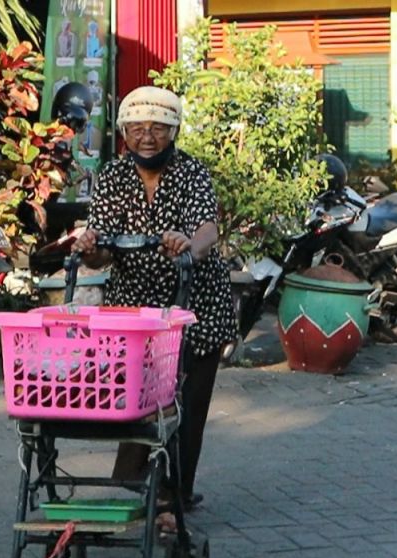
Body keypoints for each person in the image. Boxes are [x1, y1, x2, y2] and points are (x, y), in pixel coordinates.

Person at [72, 86, 237, 513]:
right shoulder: (112, 175)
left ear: (174, 131)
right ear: (124, 132)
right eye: (138, 128)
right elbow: (102, 247)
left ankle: (173, 495)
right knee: (133, 399)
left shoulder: (191, 172)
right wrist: (91, 248)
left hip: (196, 307)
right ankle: (130, 485)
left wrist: (188, 245)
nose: (148, 137)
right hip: (133, 314)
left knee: (186, 404)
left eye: (159, 128)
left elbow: (207, 229)